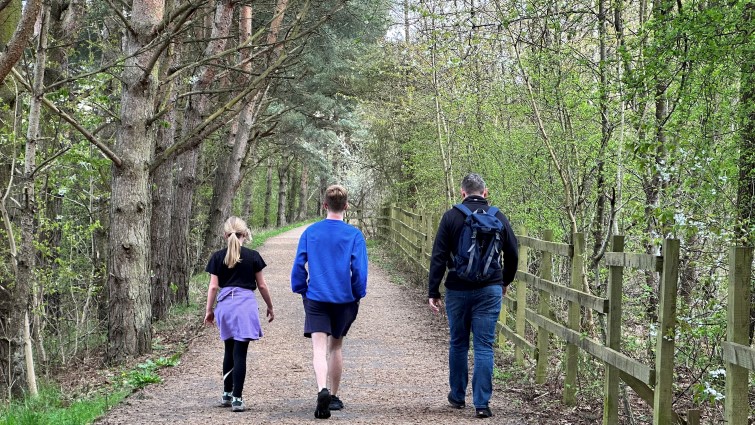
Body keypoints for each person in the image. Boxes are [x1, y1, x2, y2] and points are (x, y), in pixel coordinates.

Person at [427, 173, 518, 419]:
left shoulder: (451, 217)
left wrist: (433, 290)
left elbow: (438, 255)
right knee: (484, 346)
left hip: (457, 287)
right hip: (490, 288)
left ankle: (457, 397)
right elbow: (512, 253)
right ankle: (481, 404)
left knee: (458, 342)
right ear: (485, 193)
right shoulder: (498, 216)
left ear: (462, 193)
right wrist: (504, 281)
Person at [291, 184, 368, 419]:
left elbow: (298, 266)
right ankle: (333, 396)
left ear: (325, 205)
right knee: (336, 347)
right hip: (343, 299)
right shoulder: (354, 235)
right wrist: (357, 293)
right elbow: (359, 271)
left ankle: (320, 389)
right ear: (345, 206)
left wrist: (302, 288)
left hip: (316, 297)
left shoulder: (310, 232)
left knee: (318, 349)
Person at [204, 216, 274, 413]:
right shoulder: (253, 256)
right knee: (240, 352)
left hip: (225, 306)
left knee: (229, 348)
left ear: (225, 235)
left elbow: (213, 287)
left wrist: (209, 311)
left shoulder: (217, 257)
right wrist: (270, 306)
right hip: (245, 306)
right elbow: (261, 285)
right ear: (245, 234)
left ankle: (226, 394)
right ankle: (237, 398)